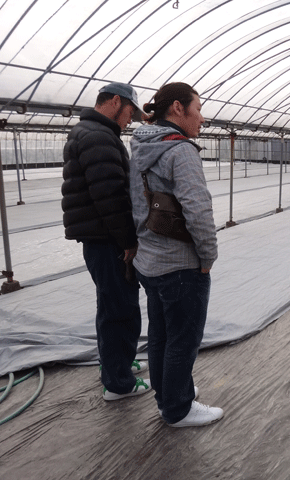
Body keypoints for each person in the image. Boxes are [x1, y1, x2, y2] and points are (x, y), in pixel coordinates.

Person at [129, 82, 223, 428]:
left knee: (161, 336)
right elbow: (198, 210)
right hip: (180, 265)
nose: (202, 117)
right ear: (179, 109)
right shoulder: (181, 151)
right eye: (197, 108)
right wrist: (208, 256)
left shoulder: (140, 146)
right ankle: (178, 409)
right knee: (183, 338)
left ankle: (168, 394)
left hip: (149, 262)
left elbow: (135, 205)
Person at [62, 82, 151, 400]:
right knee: (121, 309)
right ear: (116, 102)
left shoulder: (90, 131)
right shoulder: (99, 137)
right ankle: (118, 383)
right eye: (130, 113)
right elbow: (110, 197)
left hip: (99, 236)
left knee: (111, 305)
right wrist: (128, 241)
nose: (130, 121)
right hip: (107, 238)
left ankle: (118, 365)